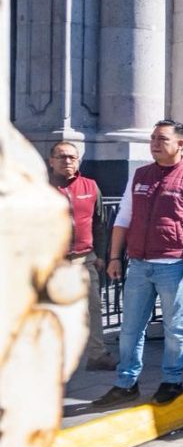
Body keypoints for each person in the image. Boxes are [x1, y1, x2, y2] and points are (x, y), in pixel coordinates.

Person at [93, 120, 183, 408]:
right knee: (131, 328)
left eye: (162, 139)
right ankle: (126, 383)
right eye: (152, 139)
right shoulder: (140, 175)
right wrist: (114, 257)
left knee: (175, 327)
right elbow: (123, 218)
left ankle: (172, 380)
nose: (154, 144)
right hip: (138, 264)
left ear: (181, 145)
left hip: (175, 265)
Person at [48, 141, 116, 371]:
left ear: (78, 161)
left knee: (93, 308)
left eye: (72, 157)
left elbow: (99, 222)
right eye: (62, 157)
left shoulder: (90, 186)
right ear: (51, 161)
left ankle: (97, 354)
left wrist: (100, 254)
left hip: (84, 258)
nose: (67, 161)